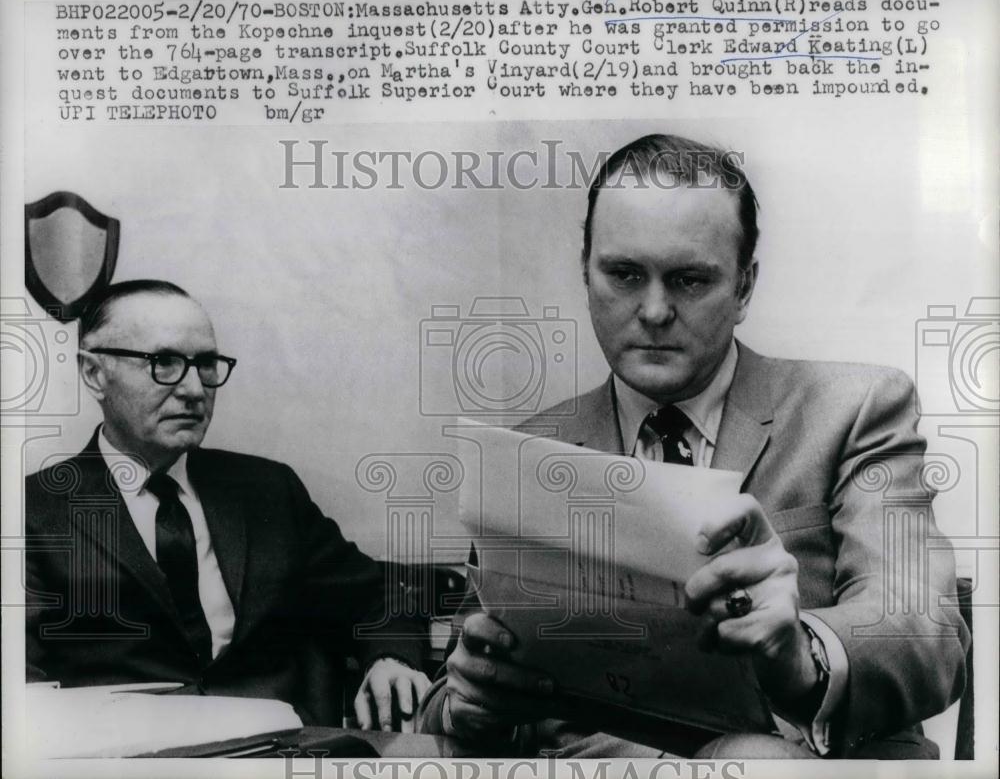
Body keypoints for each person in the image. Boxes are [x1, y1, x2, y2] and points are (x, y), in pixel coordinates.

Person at [418, 134, 971, 758]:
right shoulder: (527, 452)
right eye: (625, 275)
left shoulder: (856, 410)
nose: (654, 311)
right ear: (585, 273)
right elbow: (451, 695)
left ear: (744, 287)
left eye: (689, 280)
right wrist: (472, 705)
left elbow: (924, 633)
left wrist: (798, 657)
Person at [25, 280, 431, 731]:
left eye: (205, 364)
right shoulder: (32, 513)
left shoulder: (267, 490)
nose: (194, 389)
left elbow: (378, 595)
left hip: (282, 752)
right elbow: (21, 684)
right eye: (164, 363)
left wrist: (391, 658)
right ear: (94, 373)